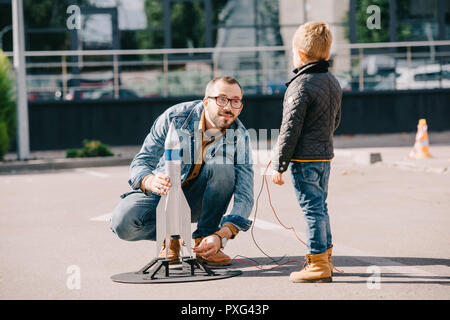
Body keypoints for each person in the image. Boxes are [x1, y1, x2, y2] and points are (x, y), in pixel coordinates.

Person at [110, 76, 254, 266]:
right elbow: (142, 160)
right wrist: (149, 180)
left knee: (221, 164)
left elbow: (245, 195)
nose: (228, 107)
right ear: (206, 102)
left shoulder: (240, 136)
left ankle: (206, 242)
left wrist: (222, 235)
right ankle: (171, 239)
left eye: (235, 101)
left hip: (200, 202)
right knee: (122, 223)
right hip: (163, 193)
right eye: (221, 99)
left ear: (240, 107)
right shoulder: (174, 118)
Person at [270, 22, 342, 282]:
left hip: (303, 159)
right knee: (320, 207)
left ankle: (317, 262)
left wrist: (280, 164)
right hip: (325, 156)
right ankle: (326, 258)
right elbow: (335, 121)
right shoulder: (332, 82)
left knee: (312, 210)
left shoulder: (299, 86)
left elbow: (289, 130)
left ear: (299, 54)